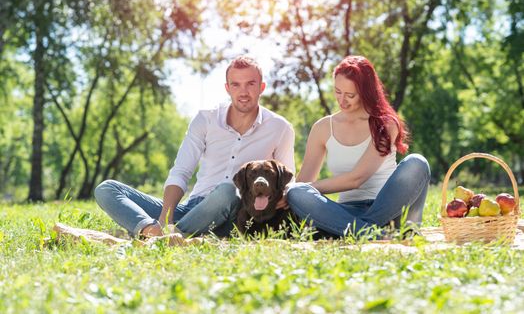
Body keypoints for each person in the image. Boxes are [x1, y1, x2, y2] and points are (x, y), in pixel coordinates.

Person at [94, 55, 295, 240]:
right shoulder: (206, 119)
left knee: (227, 191)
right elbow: (181, 172)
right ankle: (152, 232)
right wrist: (165, 218)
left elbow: (288, 181)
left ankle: (169, 237)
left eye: (250, 84)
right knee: (107, 188)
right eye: (236, 84)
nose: (243, 92)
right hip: (193, 209)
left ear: (261, 87)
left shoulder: (280, 128)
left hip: (237, 213)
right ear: (227, 88)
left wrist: (280, 196)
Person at [286, 55, 430, 238]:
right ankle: (375, 234)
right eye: (337, 92)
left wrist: (310, 188)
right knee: (296, 192)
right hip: (345, 213)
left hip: (389, 211)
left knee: (417, 162)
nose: (342, 100)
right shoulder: (322, 128)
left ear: (366, 92)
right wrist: (292, 193)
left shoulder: (385, 124)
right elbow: (303, 183)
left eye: (350, 95)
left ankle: (355, 231)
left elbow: (357, 179)